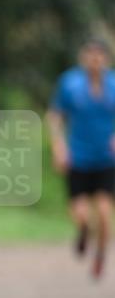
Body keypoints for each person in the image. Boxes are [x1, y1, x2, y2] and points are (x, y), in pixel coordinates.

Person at [47, 38, 115, 279]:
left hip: (106, 158)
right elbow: (55, 116)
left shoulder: (113, 84)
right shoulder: (70, 83)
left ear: (106, 59)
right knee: (82, 213)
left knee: (106, 212)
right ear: (83, 57)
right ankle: (84, 231)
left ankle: (100, 256)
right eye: (90, 55)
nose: (95, 60)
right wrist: (59, 147)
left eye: (99, 56)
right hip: (78, 157)